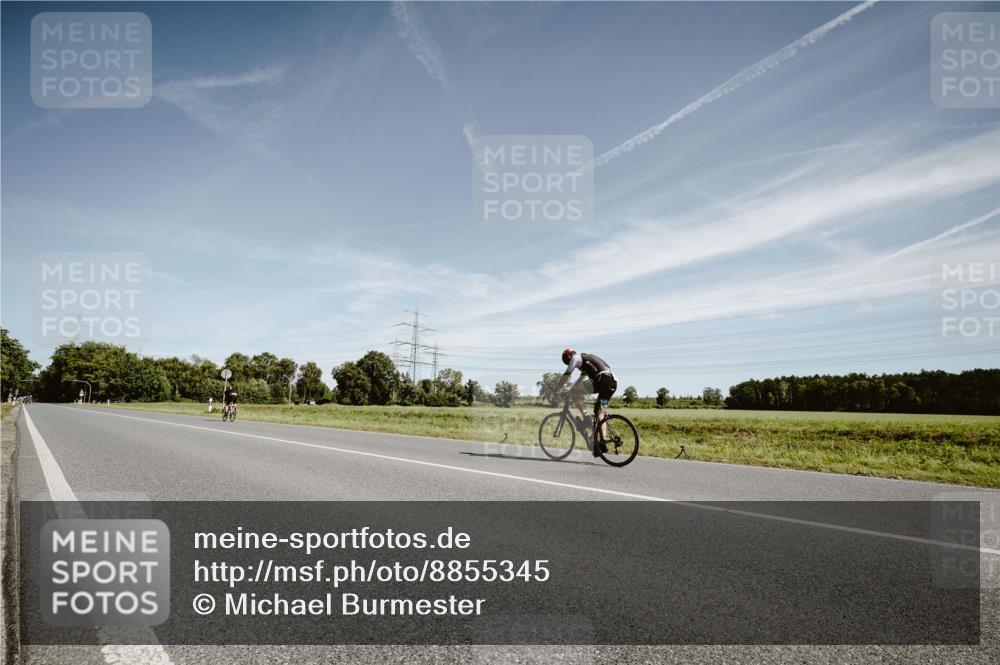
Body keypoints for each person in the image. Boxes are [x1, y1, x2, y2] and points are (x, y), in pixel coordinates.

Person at [556, 348, 617, 456]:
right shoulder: (585, 361)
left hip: (602, 379)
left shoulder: (575, 358)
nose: (569, 364)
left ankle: (586, 418)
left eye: (567, 362)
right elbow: (580, 381)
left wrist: (558, 388)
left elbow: (567, 374)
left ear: (569, 356)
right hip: (612, 383)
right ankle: (603, 442)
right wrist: (572, 391)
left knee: (575, 393)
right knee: (599, 411)